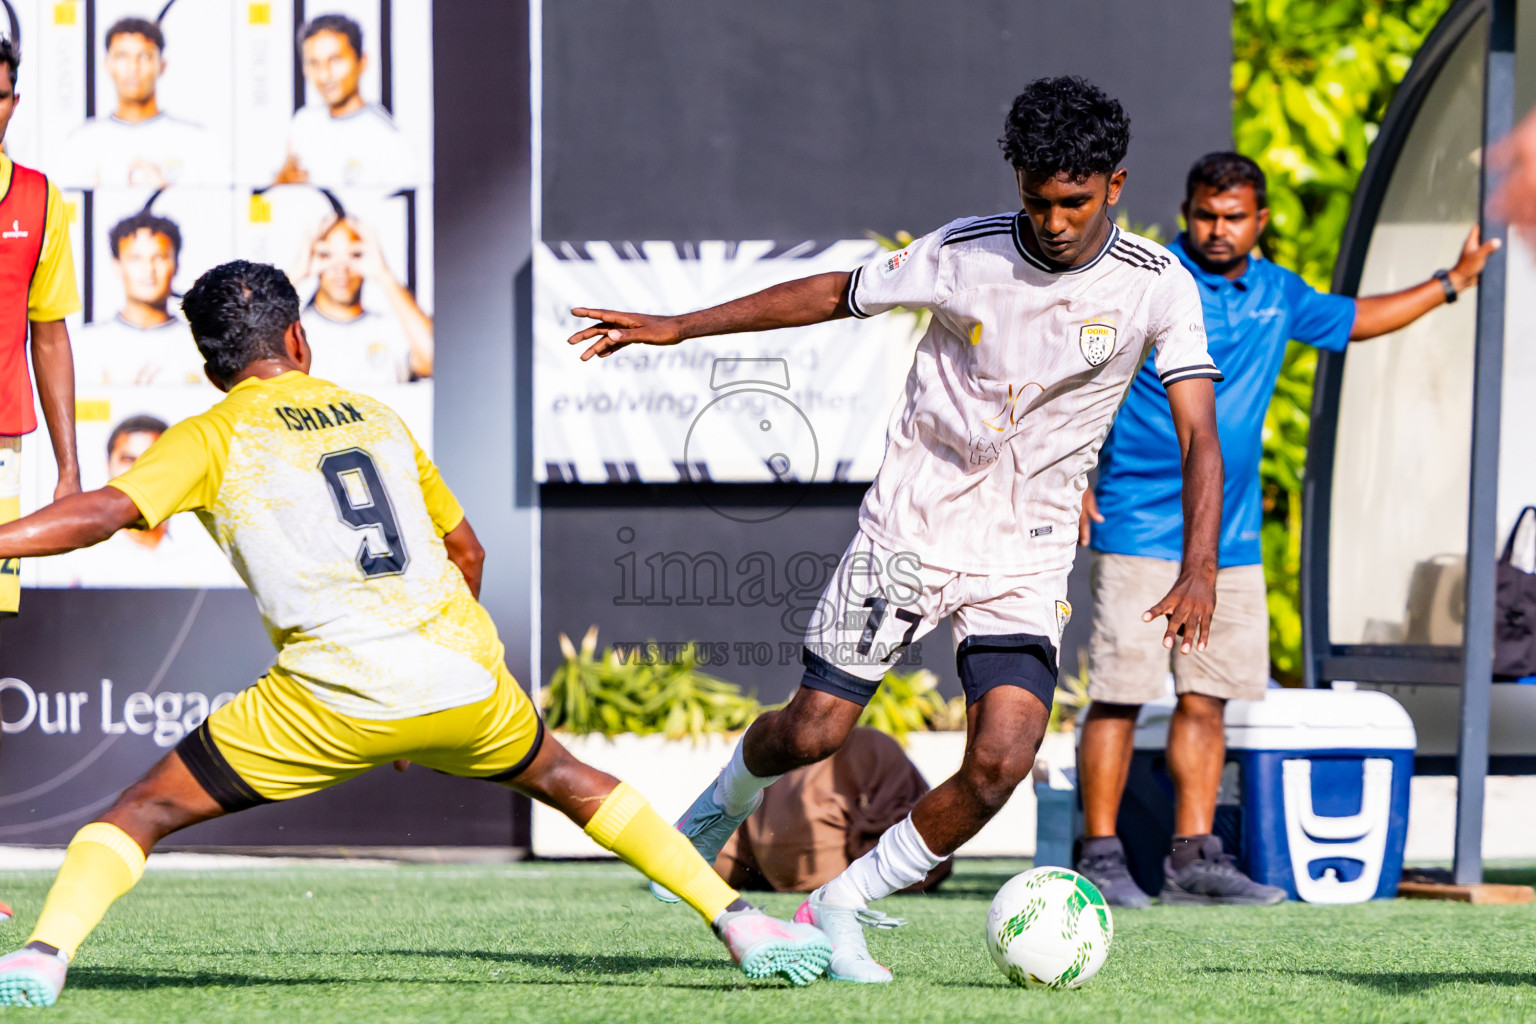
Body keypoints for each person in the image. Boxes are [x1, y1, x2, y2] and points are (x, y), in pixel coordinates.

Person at [0, 261, 830, 1007]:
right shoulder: (376, 417)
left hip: (331, 695)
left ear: (211, 365)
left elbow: (102, 514)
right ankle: (740, 923)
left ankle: (42, 956)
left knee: (141, 810)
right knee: (573, 780)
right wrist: (428, 687)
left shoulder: (214, 435)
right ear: (298, 336)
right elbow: (465, 550)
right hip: (462, 679)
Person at [566, 76, 1224, 983]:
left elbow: (1200, 432)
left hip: (1024, 556)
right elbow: (833, 293)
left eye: (1074, 200)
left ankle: (842, 904)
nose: (1055, 221)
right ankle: (721, 805)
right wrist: (681, 327)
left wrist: (1199, 568)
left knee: (1002, 761)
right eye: (1037, 201)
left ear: (1115, 185)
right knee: (812, 734)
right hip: (907, 531)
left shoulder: (1159, 286)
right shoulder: (964, 252)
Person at [1074, 152, 1499, 908]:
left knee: (1208, 698)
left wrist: (1450, 283)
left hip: (1228, 543)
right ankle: (1100, 857)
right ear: (1186, 211)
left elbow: (1357, 319)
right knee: (1120, 694)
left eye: (1233, 216)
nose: (1217, 229)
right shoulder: (1148, 280)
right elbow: (1083, 377)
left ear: (1259, 221)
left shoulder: (1277, 294)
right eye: (1205, 214)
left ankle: (1192, 860)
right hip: (1139, 525)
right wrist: (1073, 477)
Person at [0, 36, 85, 622]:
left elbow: (49, 336)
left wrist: (70, 468)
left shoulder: (38, 198)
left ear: (15, 101)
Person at [57, 416, 240, 588]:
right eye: (128, 460)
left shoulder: (211, 549)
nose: (139, 472)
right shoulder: (80, 555)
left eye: (151, 461)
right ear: (108, 465)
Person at [60, 17, 210, 188]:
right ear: (107, 65)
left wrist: (167, 194)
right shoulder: (81, 144)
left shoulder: (197, 143)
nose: (133, 67)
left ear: (162, 65)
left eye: (144, 56)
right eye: (122, 56)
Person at [274, 15, 418, 188]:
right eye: (314, 63)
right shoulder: (303, 124)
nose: (324, 75)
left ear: (362, 61)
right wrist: (281, 183)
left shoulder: (388, 139)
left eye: (335, 60)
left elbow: (401, 210)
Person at [292, 215, 433, 385]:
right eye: (328, 255)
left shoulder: (390, 329)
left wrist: (384, 273)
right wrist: (298, 271)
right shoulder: (293, 332)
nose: (341, 268)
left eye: (354, 255)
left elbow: (432, 358)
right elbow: (251, 358)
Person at [72, 211, 206, 387]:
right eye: (136, 258)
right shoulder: (84, 346)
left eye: (159, 257)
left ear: (176, 264)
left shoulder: (200, 346)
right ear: (117, 265)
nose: (148, 269)